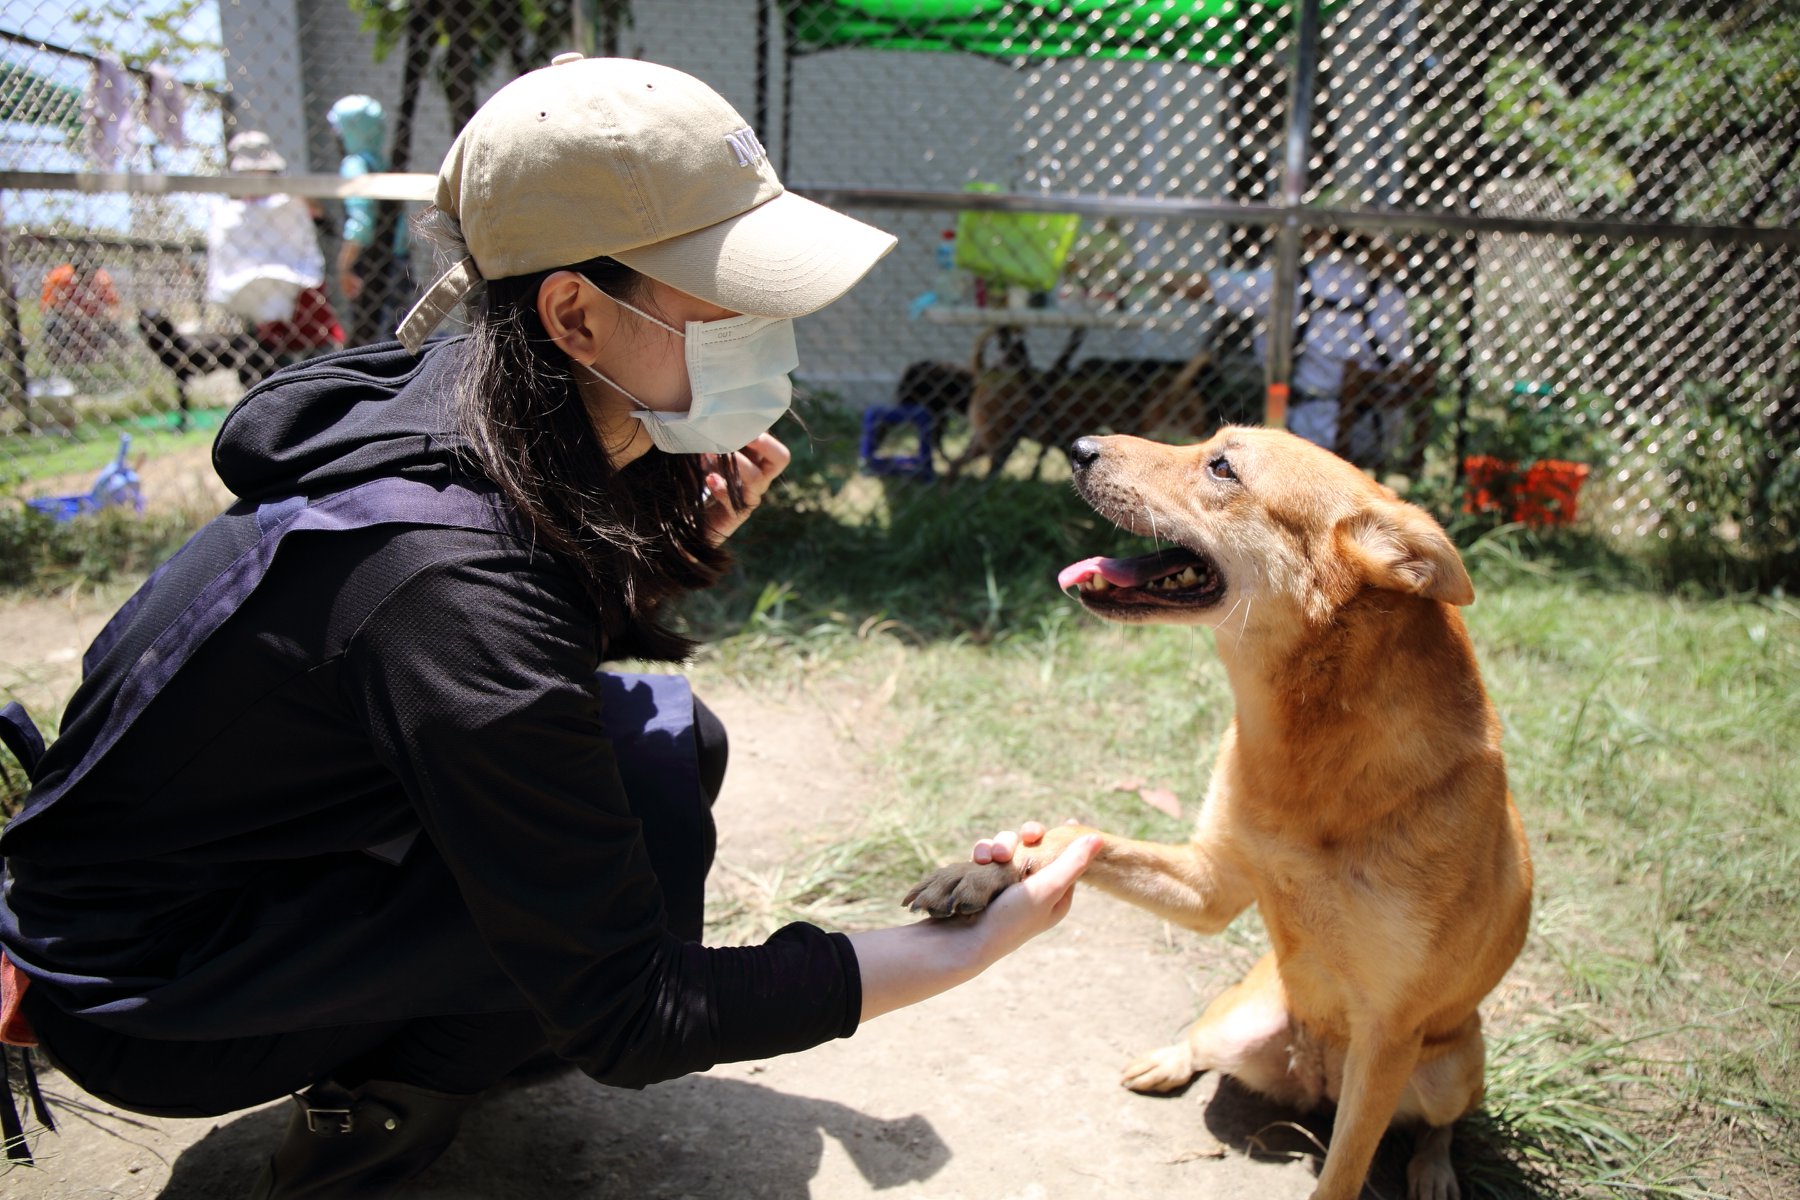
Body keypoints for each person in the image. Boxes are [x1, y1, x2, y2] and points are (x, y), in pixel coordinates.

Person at [0, 56, 1098, 1195]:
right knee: (610, 908)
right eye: (731, 298)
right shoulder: (442, 570)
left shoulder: (471, 404)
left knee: (664, 748)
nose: (771, 330)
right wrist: (965, 946)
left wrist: (668, 546)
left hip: (249, 875)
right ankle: (366, 1120)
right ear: (574, 313)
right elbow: (641, 1012)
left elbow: (517, 671)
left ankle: (451, 1038)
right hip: (149, 987)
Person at [1181, 226, 1417, 459]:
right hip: (1375, 432)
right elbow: (1401, 367)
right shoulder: (1387, 292)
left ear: (1322, 236)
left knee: (1278, 395)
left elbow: (1216, 287)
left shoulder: (1294, 283)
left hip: (1311, 430)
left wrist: (1162, 278)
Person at [205, 129, 344, 357]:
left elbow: (322, 220)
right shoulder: (232, 214)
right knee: (273, 349)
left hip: (300, 288)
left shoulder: (291, 201)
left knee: (316, 342)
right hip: (257, 290)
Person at [327, 94, 409, 347]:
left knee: (373, 342)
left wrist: (344, 267)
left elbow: (361, 223)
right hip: (397, 260)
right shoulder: (382, 164)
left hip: (368, 264)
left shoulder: (354, 165)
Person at [39, 255, 128, 367]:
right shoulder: (62, 279)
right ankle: (58, 363)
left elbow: (114, 305)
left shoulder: (102, 280)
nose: (86, 277)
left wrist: (107, 316)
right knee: (53, 323)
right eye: (82, 272)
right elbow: (51, 307)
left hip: (97, 320)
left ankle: (119, 363)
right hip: (71, 321)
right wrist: (76, 316)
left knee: (118, 329)